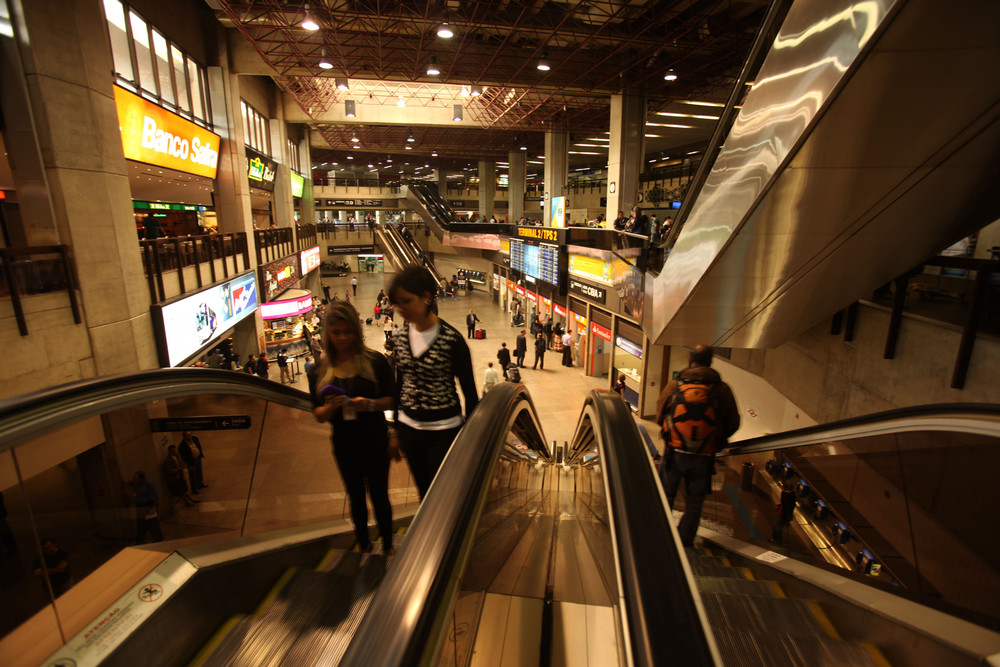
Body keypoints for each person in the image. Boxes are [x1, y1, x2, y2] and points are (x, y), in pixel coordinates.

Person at [313, 301, 397, 554]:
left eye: (347, 331)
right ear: (328, 333)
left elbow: (393, 399)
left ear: (357, 332)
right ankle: (363, 543)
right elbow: (317, 413)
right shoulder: (322, 367)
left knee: (380, 496)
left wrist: (369, 404)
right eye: (336, 332)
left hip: (375, 442)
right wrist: (330, 408)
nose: (342, 338)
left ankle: (389, 545)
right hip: (344, 445)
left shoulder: (375, 361)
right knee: (356, 498)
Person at [389, 265, 478, 500]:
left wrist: (470, 440)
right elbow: (400, 384)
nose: (401, 309)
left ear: (426, 297)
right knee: (423, 492)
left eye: (406, 301)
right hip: (409, 430)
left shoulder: (452, 340)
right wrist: (395, 429)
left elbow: (470, 393)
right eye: (398, 303)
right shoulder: (399, 337)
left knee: (441, 495)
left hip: (444, 431)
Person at [655, 345, 740, 547]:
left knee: (666, 493)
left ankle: (660, 534)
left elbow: (660, 414)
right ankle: (684, 540)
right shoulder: (722, 389)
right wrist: (715, 437)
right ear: (710, 362)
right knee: (695, 500)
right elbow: (733, 423)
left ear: (690, 360)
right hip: (704, 455)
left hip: (675, 452)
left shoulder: (675, 385)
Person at [128, 471, 163, 544]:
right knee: (141, 524)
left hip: (148, 506)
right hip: (140, 506)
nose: (134, 480)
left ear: (141, 479)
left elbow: (155, 497)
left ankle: (158, 539)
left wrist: (153, 507)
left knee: (153, 523)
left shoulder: (149, 484)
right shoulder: (136, 482)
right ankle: (140, 540)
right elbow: (131, 482)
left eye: (135, 479)